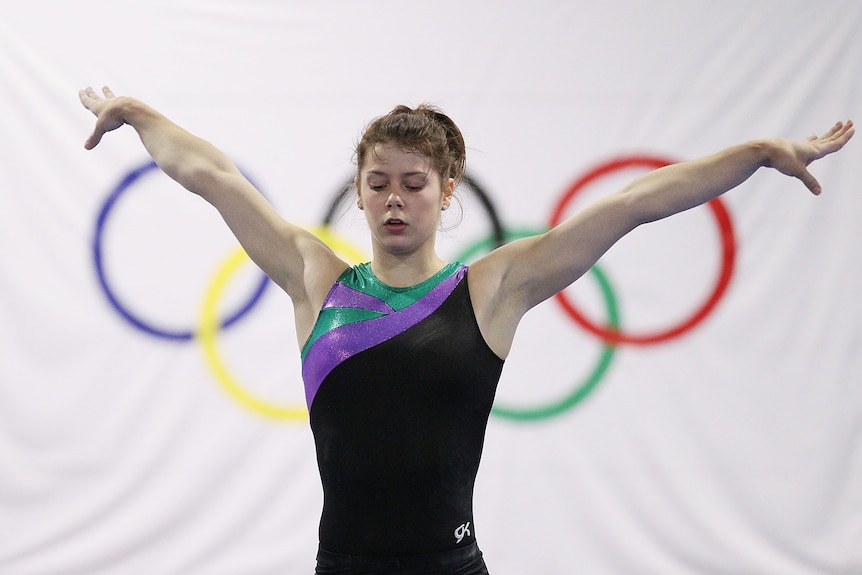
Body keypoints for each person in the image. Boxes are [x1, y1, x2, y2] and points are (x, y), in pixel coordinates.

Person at [79, 86, 854, 574]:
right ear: (357, 188)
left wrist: (754, 154)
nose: (394, 200)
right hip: (342, 564)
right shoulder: (318, 279)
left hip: (452, 564)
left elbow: (631, 204)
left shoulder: (492, 287)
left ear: (447, 191)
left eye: (414, 184)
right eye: (378, 183)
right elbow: (214, 177)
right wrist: (143, 115)